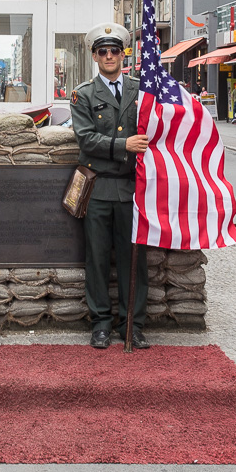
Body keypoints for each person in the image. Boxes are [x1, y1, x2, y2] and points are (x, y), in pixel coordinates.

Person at [70, 22, 150, 349]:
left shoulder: (141, 89)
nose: (109, 56)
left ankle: (132, 324)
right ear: (94, 56)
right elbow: (86, 140)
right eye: (102, 51)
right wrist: (123, 146)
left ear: (123, 54)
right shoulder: (83, 94)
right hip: (100, 188)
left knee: (135, 259)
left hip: (133, 190)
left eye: (114, 50)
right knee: (98, 258)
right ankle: (101, 322)